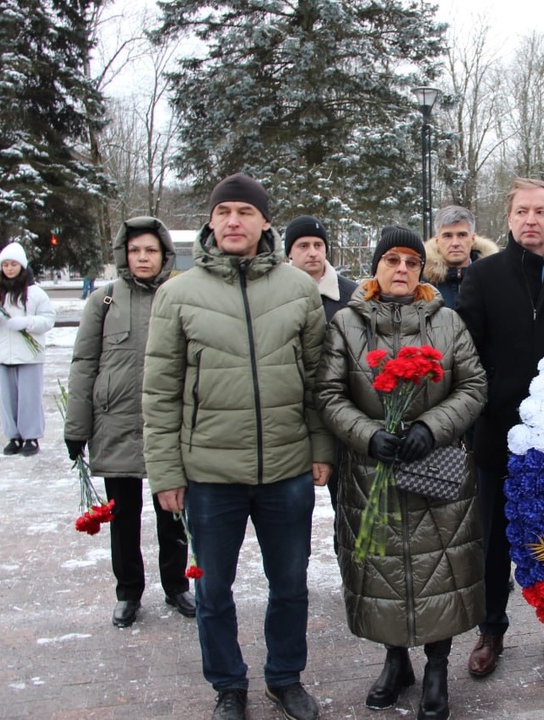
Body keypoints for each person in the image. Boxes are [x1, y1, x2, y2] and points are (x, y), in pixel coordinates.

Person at [142, 174, 334, 720]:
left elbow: (319, 377)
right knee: (214, 590)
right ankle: (228, 684)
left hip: (287, 466)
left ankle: (284, 677)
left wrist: (321, 446)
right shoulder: (177, 295)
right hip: (208, 473)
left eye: (245, 213)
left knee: (290, 583)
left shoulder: (298, 288)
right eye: (223, 211)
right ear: (210, 220)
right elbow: (159, 392)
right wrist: (166, 473)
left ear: (264, 222)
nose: (233, 221)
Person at [317, 225, 486, 720]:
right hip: (372, 473)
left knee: (442, 570)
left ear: (421, 269)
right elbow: (328, 394)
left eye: (412, 262)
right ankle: (396, 661)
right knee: (383, 572)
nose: (402, 270)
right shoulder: (347, 325)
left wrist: (431, 427)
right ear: (376, 267)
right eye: (392, 260)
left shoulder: (447, 321)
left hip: (435, 468)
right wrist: (368, 434)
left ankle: (436, 667)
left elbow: (473, 386)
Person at [455, 177, 544, 678]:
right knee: (494, 539)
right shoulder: (484, 275)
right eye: (521, 212)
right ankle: (491, 629)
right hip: (500, 433)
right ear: (509, 219)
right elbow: (465, 352)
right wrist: (483, 408)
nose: (530, 220)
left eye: (540, 212)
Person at [64, 217, 193, 629]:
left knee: (172, 513)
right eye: (136, 250)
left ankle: (176, 586)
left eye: (150, 251)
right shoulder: (103, 300)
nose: (143, 258)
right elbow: (84, 364)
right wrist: (76, 427)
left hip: (168, 425)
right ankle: (128, 592)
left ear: (163, 256)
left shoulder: (179, 297)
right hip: (115, 423)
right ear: (124, 254)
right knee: (123, 517)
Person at [284, 214, 360, 526]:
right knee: (290, 512)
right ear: (290, 252)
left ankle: (348, 566)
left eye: (318, 245)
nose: (313, 252)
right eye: (303, 245)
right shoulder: (275, 293)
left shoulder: (352, 295)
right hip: (289, 416)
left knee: (347, 505)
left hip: (339, 415)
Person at [0, 242, 56, 456]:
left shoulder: (35, 293)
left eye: (14, 264)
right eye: (6, 265)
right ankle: (13, 436)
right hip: (2, 353)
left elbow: (48, 319)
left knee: (29, 397)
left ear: (22, 266)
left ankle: (31, 436)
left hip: (28, 354)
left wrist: (27, 323)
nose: (9, 269)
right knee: (7, 398)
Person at [423, 205, 499, 309]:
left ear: (472, 239)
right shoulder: (423, 285)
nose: (455, 243)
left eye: (462, 235)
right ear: (437, 241)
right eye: (447, 236)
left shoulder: (494, 278)